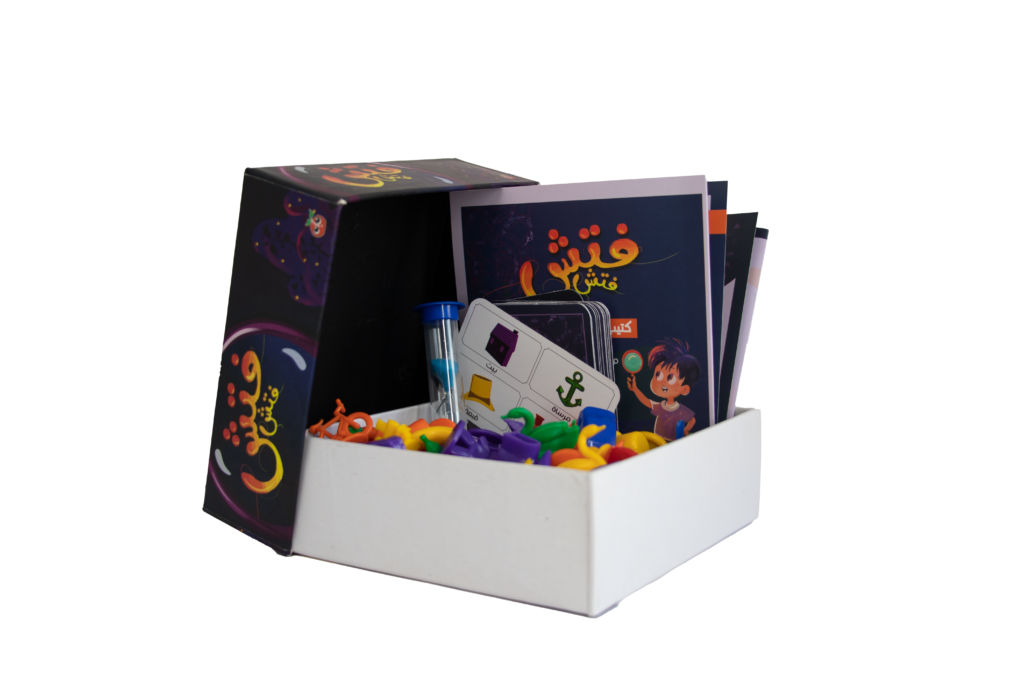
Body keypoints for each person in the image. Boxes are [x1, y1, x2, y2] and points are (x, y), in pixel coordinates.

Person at [626, 338, 700, 441]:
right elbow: (647, 402)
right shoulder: (661, 406)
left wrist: (685, 430)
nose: (662, 382)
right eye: (658, 374)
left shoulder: (682, 410)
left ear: (684, 389)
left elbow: (692, 420)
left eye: (670, 378)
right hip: (658, 441)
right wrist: (635, 389)